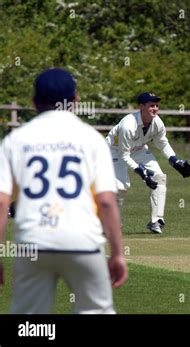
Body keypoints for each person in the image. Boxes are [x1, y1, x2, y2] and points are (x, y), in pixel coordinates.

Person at [0, 68, 128, 313]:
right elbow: (107, 202)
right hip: (82, 242)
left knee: (30, 323)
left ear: (34, 102)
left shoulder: (15, 140)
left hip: (33, 244)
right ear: (76, 100)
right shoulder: (91, 139)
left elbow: (1, 203)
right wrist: (117, 253)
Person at [105, 92, 190, 234]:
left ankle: (156, 221)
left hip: (138, 149)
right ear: (142, 106)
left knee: (160, 178)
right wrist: (142, 173)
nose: (155, 109)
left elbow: (162, 143)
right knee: (120, 187)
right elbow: (124, 155)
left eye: (157, 105)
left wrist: (175, 161)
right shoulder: (128, 125)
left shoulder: (157, 122)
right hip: (114, 151)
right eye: (151, 105)